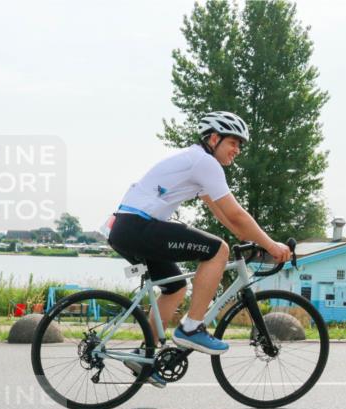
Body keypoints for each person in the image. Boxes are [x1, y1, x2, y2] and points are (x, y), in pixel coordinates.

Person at [106, 111, 291, 387]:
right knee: (218, 250)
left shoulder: (196, 163)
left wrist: (259, 243)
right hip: (138, 226)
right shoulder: (204, 163)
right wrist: (272, 245)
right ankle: (191, 327)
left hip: (126, 229)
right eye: (233, 143)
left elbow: (229, 219)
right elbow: (237, 215)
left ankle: (142, 355)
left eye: (240, 145)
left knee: (176, 287)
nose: (237, 151)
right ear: (214, 139)